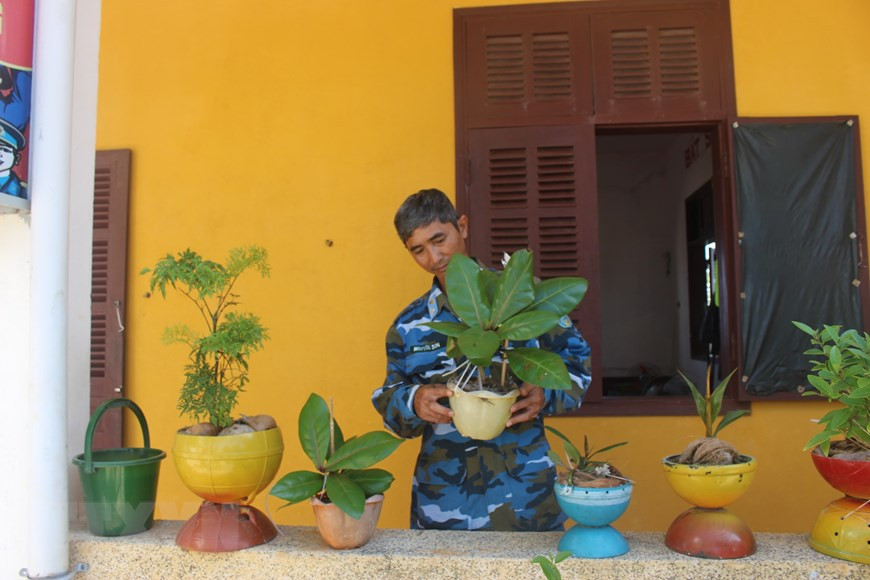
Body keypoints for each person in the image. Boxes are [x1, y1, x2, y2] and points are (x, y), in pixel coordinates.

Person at [371, 188, 591, 531]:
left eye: (439, 239)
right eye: (418, 250)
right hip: (445, 504)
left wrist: (545, 393)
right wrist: (413, 401)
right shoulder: (409, 326)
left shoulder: (521, 298)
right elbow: (389, 399)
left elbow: (577, 365)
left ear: (463, 226)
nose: (434, 256)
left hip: (525, 498)